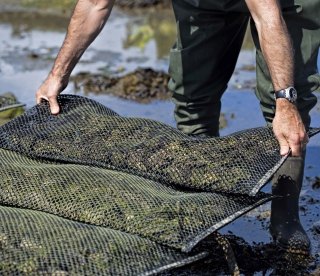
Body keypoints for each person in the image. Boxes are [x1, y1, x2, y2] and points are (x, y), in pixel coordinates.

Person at [36, 0, 320, 252]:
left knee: (289, 101)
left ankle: (286, 217)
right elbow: (95, 4)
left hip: (282, 4)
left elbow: (267, 15)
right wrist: (57, 74)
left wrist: (285, 100)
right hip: (204, 4)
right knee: (192, 95)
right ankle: (203, 207)